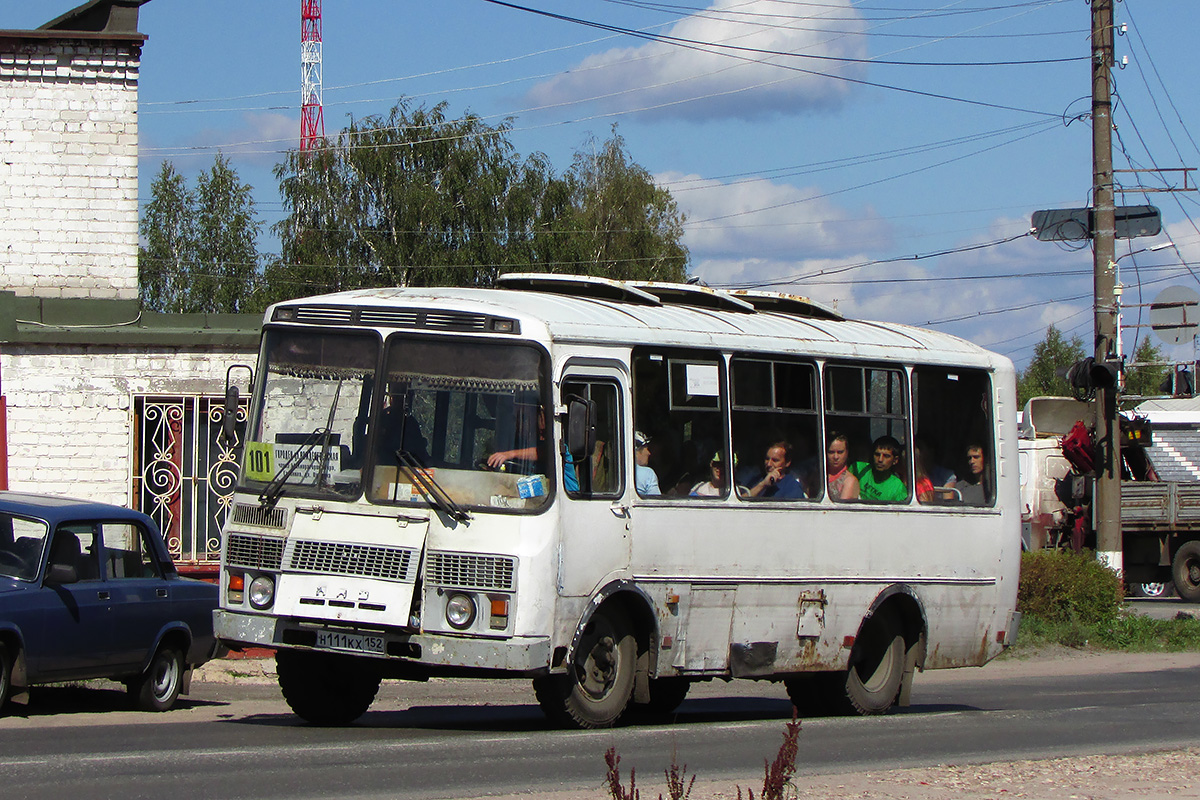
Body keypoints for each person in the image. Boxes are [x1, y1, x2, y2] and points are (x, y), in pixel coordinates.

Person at [850, 435, 907, 503]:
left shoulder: (898, 488)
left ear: (895, 460)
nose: (880, 460)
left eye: (886, 456)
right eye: (877, 454)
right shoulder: (859, 468)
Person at [825, 433, 859, 501]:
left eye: (840, 452)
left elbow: (841, 510)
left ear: (847, 453)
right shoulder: (817, 475)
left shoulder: (849, 481)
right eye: (831, 452)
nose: (835, 457)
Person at [634, 430, 662, 496]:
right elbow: (655, 502)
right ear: (636, 453)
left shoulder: (614, 471)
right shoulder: (648, 474)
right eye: (646, 449)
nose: (649, 453)